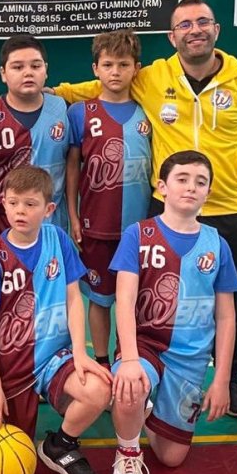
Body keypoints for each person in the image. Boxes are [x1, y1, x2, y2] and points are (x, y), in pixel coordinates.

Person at [54, 0, 237, 416]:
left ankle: (229, 378)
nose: (195, 30)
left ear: (216, 29)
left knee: (231, 300)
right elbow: (98, 85)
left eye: (203, 22)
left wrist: (230, 165)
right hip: (166, 211)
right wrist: (51, 92)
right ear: (172, 37)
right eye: (185, 25)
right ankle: (148, 368)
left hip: (227, 208)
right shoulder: (153, 77)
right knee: (156, 295)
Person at [0, 165, 114, 474]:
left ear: (49, 209)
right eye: (13, 203)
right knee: (7, 457)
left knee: (99, 389)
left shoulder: (57, 239)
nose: (20, 211)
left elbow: (74, 298)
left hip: (54, 357)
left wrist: (80, 352)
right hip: (13, 365)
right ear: (3, 205)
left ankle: (60, 445)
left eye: (30, 204)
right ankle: (12, 405)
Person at [108, 151, 237, 474]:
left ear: (208, 192)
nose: (191, 187)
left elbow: (226, 316)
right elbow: (124, 301)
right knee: (131, 385)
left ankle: (147, 410)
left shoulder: (217, 244)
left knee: (171, 457)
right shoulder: (138, 234)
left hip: (190, 358)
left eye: (200, 182)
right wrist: (130, 358)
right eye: (182, 179)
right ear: (162, 186)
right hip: (145, 345)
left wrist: (222, 379)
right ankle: (128, 454)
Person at [65, 30, 152, 366]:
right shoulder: (80, 113)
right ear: (96, 69)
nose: (115, 72)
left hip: (139, 229)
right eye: (108, 64)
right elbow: (73, 167)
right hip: (96, 225)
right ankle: (101, 360)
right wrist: (74, 215)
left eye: (123, 64)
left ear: (136, 68)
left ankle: (129, 359)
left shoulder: (148, 112)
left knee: (135, 300)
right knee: (99, 299)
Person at [0, 35, 73, 252]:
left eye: (35, 66)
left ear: (46, 70)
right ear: (3, 73)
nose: (28, 72)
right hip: (1, 231)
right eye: (18, 67)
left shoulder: (65, 110)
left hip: (51, 230)